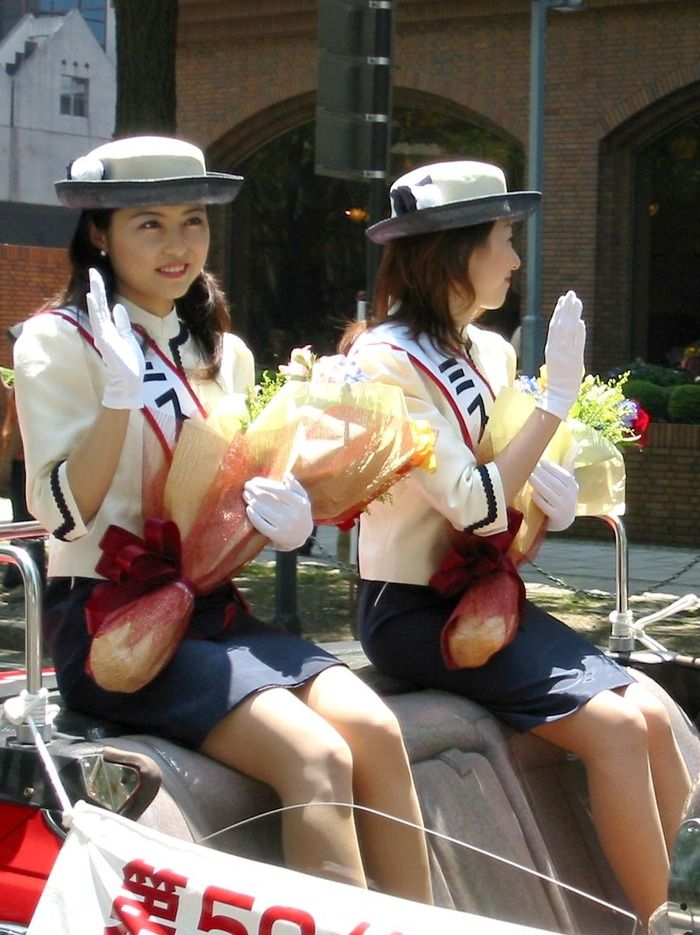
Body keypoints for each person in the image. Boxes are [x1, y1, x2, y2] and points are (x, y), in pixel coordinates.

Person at [12, 135, 432, 903]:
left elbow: (226, 489)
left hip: (211, 610)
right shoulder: (57, 340)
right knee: (315, 758)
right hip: (110, 625)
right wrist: (117, 399)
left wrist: (285, 517)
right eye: (150, 224)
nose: (178, 244)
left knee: (375, 730)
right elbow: (61, 515)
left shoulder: (222, 350)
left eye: (193, 221)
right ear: (99, 232)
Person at [340, 160, 692, 927]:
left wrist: (546, 502)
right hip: (414, 610)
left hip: (485, 595)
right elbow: (471, 502)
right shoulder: (383, 360)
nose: (514, 258)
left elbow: (508, 483)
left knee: (655, 711)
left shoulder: (489, 350)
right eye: (502, 238)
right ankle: (661, 920)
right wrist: (554, 404)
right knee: (616, 727)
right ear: (454, 248)